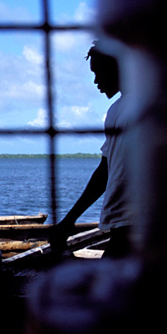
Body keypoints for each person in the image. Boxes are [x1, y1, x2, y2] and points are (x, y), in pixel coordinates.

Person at [51, 41, 132, 258]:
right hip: (121, 223)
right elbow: (104, 171)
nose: (96, 81)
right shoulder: (115, 111)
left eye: (99, 72)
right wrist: (70, 220)